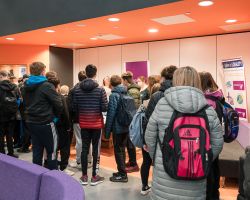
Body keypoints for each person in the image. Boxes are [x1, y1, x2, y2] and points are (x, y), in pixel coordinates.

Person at [145, 66, 224, 200]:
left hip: (164, 176)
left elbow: (150, 136)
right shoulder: (208, 109)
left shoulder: (162, 104)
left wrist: (161, 156)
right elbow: (217, 143)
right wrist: (202, 159)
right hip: (196, 179)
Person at [140, 65, 177, 195]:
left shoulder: (157, 96)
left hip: (157, 138)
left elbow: (148, 120)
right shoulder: (180, 95)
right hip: (176, 139)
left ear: (162, 78)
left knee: (153, 164)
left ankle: (149, 188)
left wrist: (145, 140)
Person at [23, 62, 63, 170]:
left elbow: (25, 104)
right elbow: (59, 104)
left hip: (31, 123)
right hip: (46, 123)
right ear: (42, 72)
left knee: (36, 151)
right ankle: (52, 178)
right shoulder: (47, 86)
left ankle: (37, 177)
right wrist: (55, 118)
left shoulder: (25, 85)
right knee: (52, 151)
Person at [73, 64, 108, 186]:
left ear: (86, 73)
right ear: (95, 73)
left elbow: (75, 107)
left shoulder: (77, 89)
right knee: (95, 150)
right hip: (96, 124)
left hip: (83, 123)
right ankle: (94, 176)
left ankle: (84, 176)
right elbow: (104, 107)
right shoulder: (100, 89)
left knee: (84, 149)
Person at [200, 71, 225, 200]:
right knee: (215, 167)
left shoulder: (206, 101)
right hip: (216, 139)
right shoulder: (217, 97)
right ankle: (215, 193)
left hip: (207, 141)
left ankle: (211, 195)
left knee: (208, 172)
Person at [105, 75, 129, 182]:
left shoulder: (114, 95)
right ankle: (122, 171)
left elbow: (111, 114)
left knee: (118, 151)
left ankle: (122, 175)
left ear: (111, 83)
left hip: (118, 128)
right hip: (126, 126)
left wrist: (107, 132)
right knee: (122, 149)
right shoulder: (125, 92)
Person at [68, 71, 88, 169]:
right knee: (89, 140)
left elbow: (70, 107)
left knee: (79, 140)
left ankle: (79, 160)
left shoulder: (73, 90)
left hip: (77, 119)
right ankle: (89, 160)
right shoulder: (92, 89)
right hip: (89, 118)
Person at [121, 71, 140, 173]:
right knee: (129, 142)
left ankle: (134, 164)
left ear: (125, 80)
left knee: (131, 142)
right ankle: (131, 161)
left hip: (131, 120)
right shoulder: (132, 89)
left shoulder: (132, 91)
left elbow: (133, 107)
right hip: (131, 119)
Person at [0, 70, 19, 158]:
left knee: (1, 135)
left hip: (1, 116)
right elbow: (19, 100)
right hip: (12, 115)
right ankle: (11, 153)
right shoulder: (14, 86)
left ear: (1, 76)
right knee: (10, 135)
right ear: (7, 76)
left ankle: (2, 153)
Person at [57, 85, 75, 176]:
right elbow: (67, 114)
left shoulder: (50, 98)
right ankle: (63, 167)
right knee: (65, 147)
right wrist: (69, 126)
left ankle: (54, 165)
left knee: (55, 146)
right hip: (64, 126)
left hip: (53, 125)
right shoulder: (65, 99)